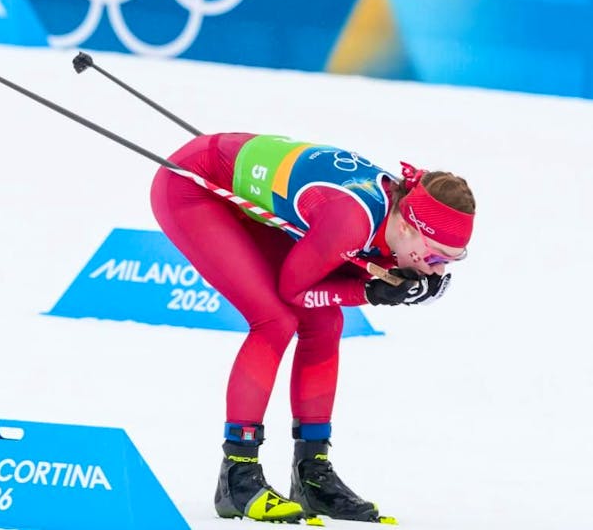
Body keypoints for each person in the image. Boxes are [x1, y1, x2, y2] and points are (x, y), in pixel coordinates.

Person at [149, 133, 475, 523]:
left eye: (450, 262)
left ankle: (312, 475)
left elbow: (345, 277)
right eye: (436, 256)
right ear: (406, 227)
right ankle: (237, 475)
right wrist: (368, 292)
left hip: (242, 188)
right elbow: (295, 291)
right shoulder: (351, 220)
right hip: (192, 185)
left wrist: (389, 280)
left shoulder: (396, 219)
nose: (437, 269)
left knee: (325, 321)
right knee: (274, 319)